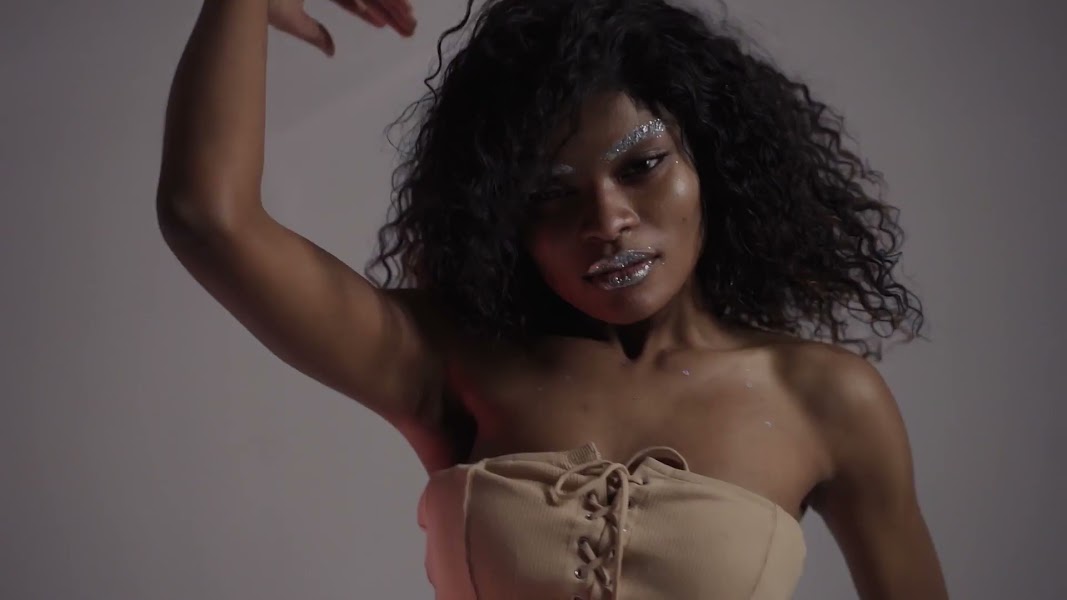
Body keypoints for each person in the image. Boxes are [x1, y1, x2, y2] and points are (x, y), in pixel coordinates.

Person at [156, 0, 948, 597]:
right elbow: (207, 218)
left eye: (640, 166)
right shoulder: (454, 361)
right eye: (549, 192)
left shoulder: (824, 399)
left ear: (710, 162)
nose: (606, 220)